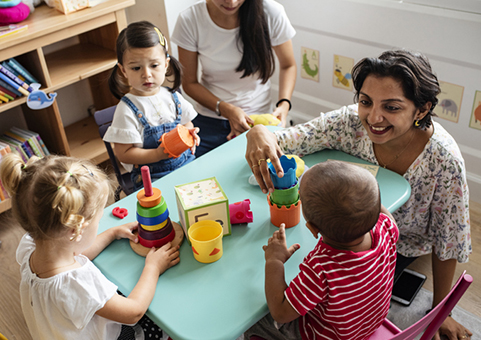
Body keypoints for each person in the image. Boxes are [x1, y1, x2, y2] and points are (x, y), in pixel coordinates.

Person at [245, 50, 472, 340]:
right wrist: (259, 132)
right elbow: (289, 139)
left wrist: (443, 311)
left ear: (422, 110)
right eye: (365, 102)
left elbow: (448, 242)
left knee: (270, 295)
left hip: (399, 246)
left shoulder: (444, 160)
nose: (373, 117)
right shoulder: (348, 123)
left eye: (391, 107)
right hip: (367, 238)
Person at [0, 153, 180, 339]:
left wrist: (111, 233)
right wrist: (153, 267)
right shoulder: (78, 283)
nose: (100, 224)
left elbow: (75, 252)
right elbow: (133, 312)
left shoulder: (30, 246)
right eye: (99, 220)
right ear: (76, 231)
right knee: (160, 325)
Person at [245, 160, 399, 340]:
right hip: (366, 326)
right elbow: (381, 213)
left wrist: (274, 261)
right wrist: (365, 198)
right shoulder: (386, 227)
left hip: (328, 336)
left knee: (255, 320)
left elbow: (280, 312)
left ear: (312, 228)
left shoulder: (321, 268)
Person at [171, 0, 297, 156]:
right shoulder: (190, 19)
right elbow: (189, 83)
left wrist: (284, 105)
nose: (231, 2)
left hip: (258, 119)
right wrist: (227, 109)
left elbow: (288, 65)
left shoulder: (271, 12)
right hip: (210, 119)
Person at [106, 21, 200, 190]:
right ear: (123, 70)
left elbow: (187, 123)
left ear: (166, 64)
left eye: (154, 65)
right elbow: (123, 154)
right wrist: (157, 154)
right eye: (136, 68)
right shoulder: (127, 109)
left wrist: (189, 135)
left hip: (186, 163)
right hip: (152, 178)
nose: (146, 74)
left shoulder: (173, 97)